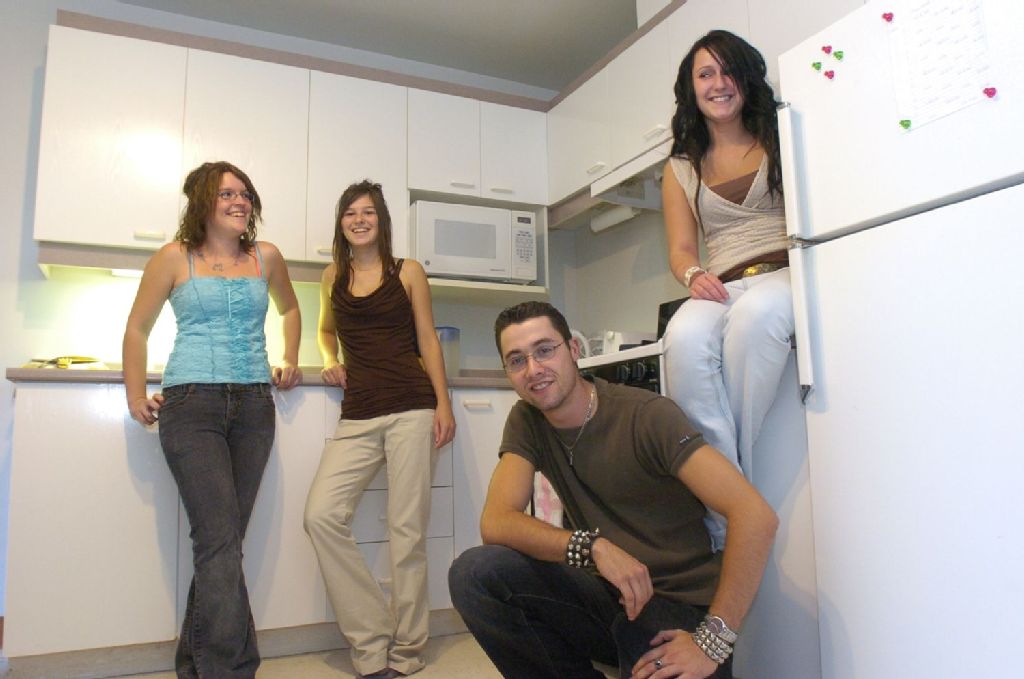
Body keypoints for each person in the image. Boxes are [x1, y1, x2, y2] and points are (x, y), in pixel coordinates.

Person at [449, 301, 778, 679]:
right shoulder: (528, 420)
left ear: (573, 350)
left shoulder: (646, 416)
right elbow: (497, 521)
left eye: (545, 350)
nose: (533, 369)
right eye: (517, 360)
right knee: (475, 573)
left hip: (679, 606)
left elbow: (755, 515)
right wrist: (592, 547)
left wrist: (711, 642)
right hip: (605, 595)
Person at [123, 161, 302, 678]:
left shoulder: (266, 257)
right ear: (203, 201)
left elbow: (290, 309)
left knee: (223, 542)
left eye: (244, 193)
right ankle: (230, 669)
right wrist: (134, 394)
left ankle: (195, 664)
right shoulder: (173, 257)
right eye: (226, 193)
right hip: (190, 404)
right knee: (218, 540)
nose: (239, 201)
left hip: (254, 407)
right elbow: (137, 328)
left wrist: (290, 357)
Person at [303, 180, 456, 679]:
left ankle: (407, 650)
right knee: (321, 515)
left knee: (406, 532)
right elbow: (326, 330)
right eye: (350, 212)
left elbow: (428, 338)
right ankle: (371, 641)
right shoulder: (332, 275)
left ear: (382, 221)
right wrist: (329, 359)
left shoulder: (407, 271)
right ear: (341, 222)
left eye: (368, 211)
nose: (359, 219)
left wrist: (443, 403)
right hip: (359, 411)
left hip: (412, 406)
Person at [660, 30, 794, 550]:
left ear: (746, 78)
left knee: (758, 315)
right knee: (682, 338)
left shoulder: (780, 136)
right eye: (705, 74)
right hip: (721, 284)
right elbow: (680, 249)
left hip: (786, 271)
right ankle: (733, 501)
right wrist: (693, 275)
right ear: (691, 88)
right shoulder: (680, 167)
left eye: (728, 70)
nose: (719, 83)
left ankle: (724, 512)